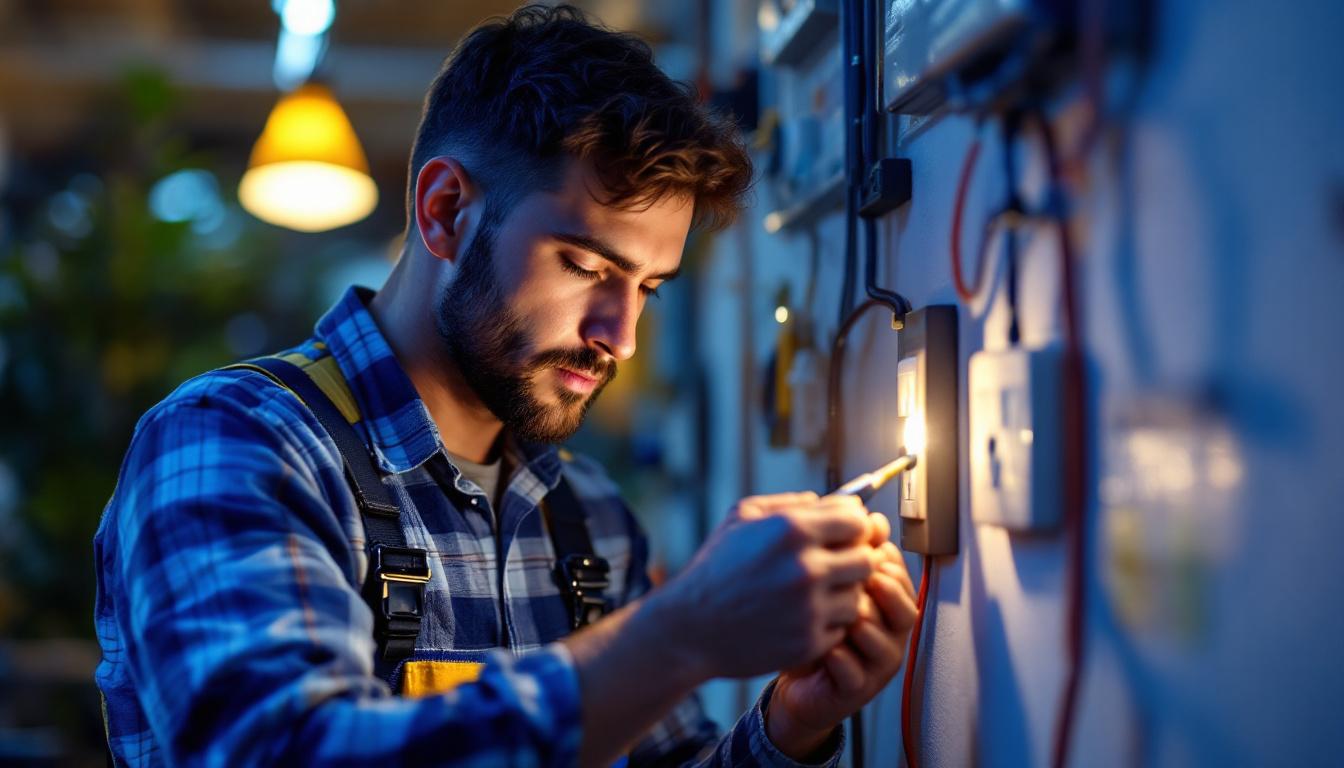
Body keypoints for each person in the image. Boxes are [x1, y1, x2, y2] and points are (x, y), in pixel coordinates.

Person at [93, 5, 918, 766]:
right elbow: (287, 751)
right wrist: (683, 631)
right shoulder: (231, 445)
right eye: (587, 266)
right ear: (447, 210)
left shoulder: (592, 521)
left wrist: (791, 724)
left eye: (648, 288)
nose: (619, 338)